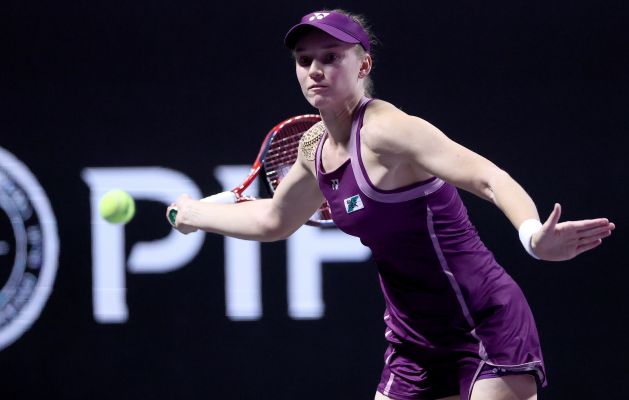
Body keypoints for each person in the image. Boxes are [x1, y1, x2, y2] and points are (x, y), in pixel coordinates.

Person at [167, 10, 615, 400]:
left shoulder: (389, 131)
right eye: (304, 61)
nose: (315, 70)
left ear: (363, 64)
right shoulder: (313, 148)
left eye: (331, 57)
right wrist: (191, 214)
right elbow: (274, 219)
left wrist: (532, 236)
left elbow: (488, 177)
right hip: (413, 340)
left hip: (484, 322)